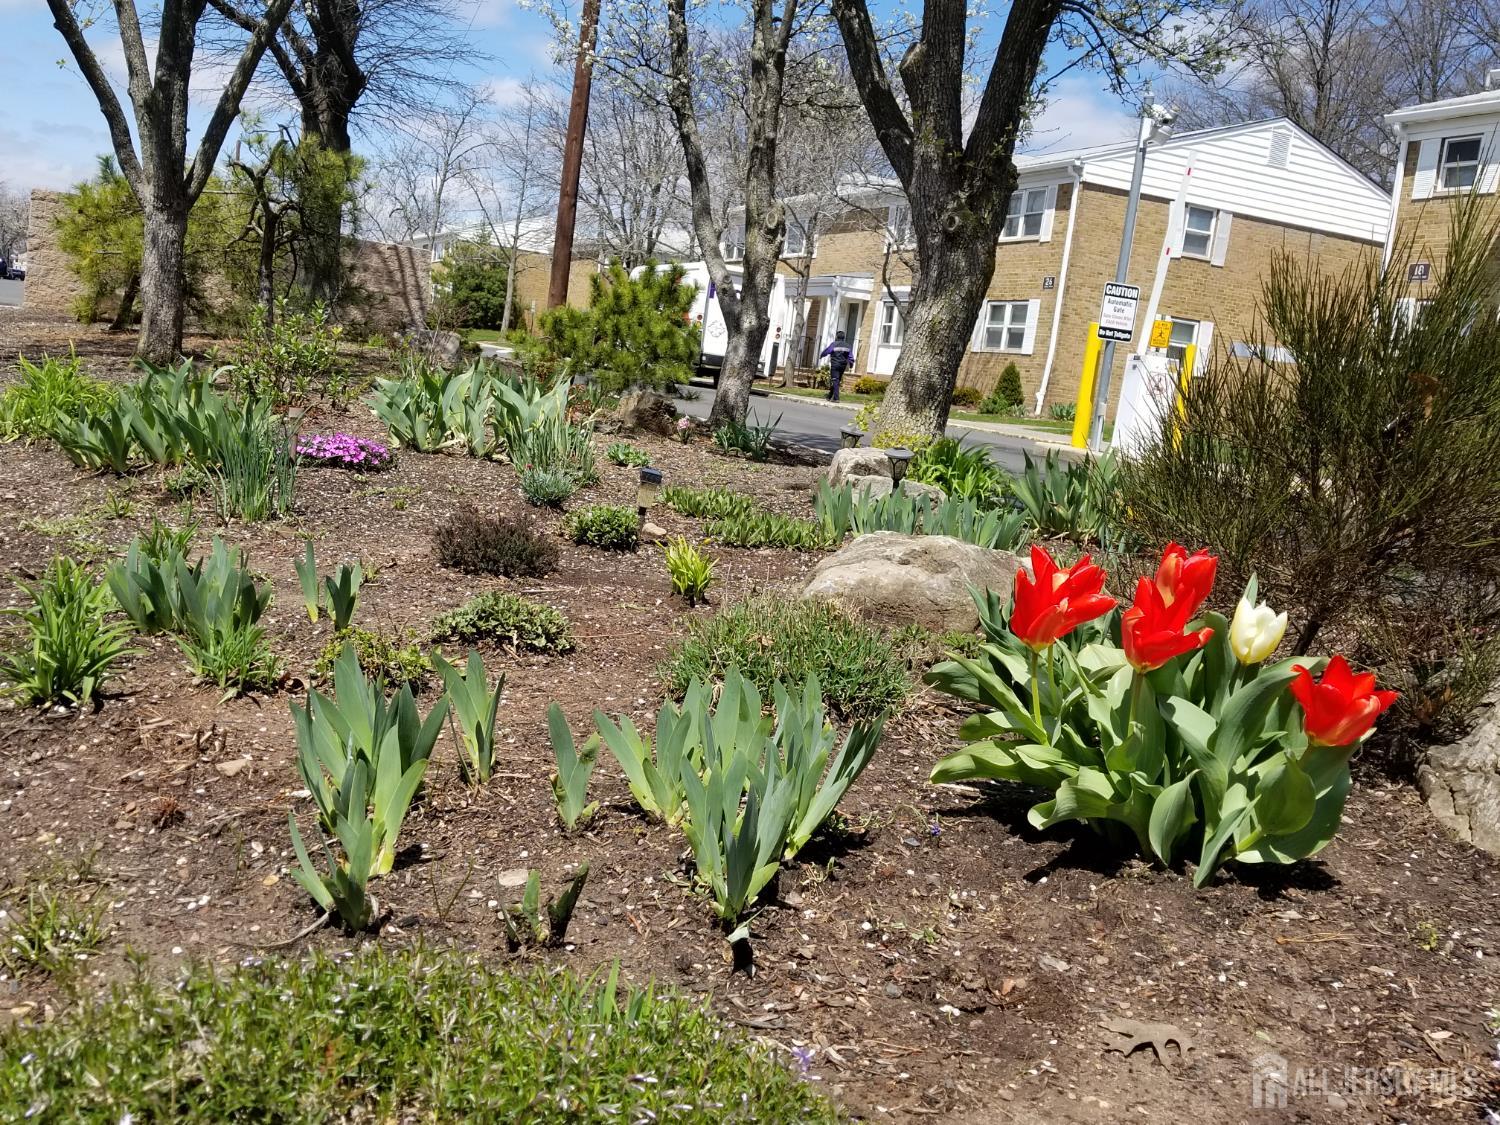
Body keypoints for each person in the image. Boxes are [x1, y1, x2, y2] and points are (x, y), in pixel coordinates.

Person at [819, 331, 854, 402]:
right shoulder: (848, 346)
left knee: (835, 380)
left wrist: (821, 355)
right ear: (844, 337)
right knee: (836, 381)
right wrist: (851, 364)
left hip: (835, 365)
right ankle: (829, 396)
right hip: (843, 366)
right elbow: (851, 357)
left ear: (836, 337)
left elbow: (827, 351)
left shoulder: (834, 344)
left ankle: (836, 398)